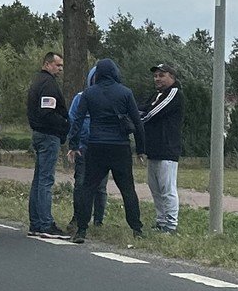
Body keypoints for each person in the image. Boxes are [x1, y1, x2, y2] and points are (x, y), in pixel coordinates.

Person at [65, 58, 146, 243]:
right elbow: (137, 123)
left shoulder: (88, 94)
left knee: (88, 187)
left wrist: (73, 145)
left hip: (96, 145)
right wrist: (140, 149)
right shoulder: (125, 93)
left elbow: (77, 120)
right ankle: (136, 228)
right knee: (127, 189)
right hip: (120, 146)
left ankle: (82, 230)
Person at [26, 51, 70, 238]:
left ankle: (36, 222)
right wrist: (65, 124)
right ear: (47, 64)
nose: (60, 69)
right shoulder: (49, 84)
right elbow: (47, 112)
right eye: (58, 65)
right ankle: (45, 223)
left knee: (38, 179)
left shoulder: (37, 81)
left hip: (39, 133)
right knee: (46, 180)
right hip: (48, 135)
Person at [141, 63, 184, 234]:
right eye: (156, 76)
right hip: (154, 148)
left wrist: (137, 121)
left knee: (167, 189)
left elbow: (153, 112)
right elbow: (144, 107)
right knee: (155, 187)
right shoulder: (155, 95)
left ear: (172, 77)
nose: (157, 79)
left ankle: (171, 224)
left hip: (167, 148)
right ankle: (161, 221)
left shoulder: (174, 93)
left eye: (161, 75)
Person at [65, 67, 108, 233]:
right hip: (84, 148)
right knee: (81, 183)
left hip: (103, 148)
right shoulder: (81, 98)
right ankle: (78, 217)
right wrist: (74, 144)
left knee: (101, 187)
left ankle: (98, 221)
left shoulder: (110, 98)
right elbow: (73, 120)